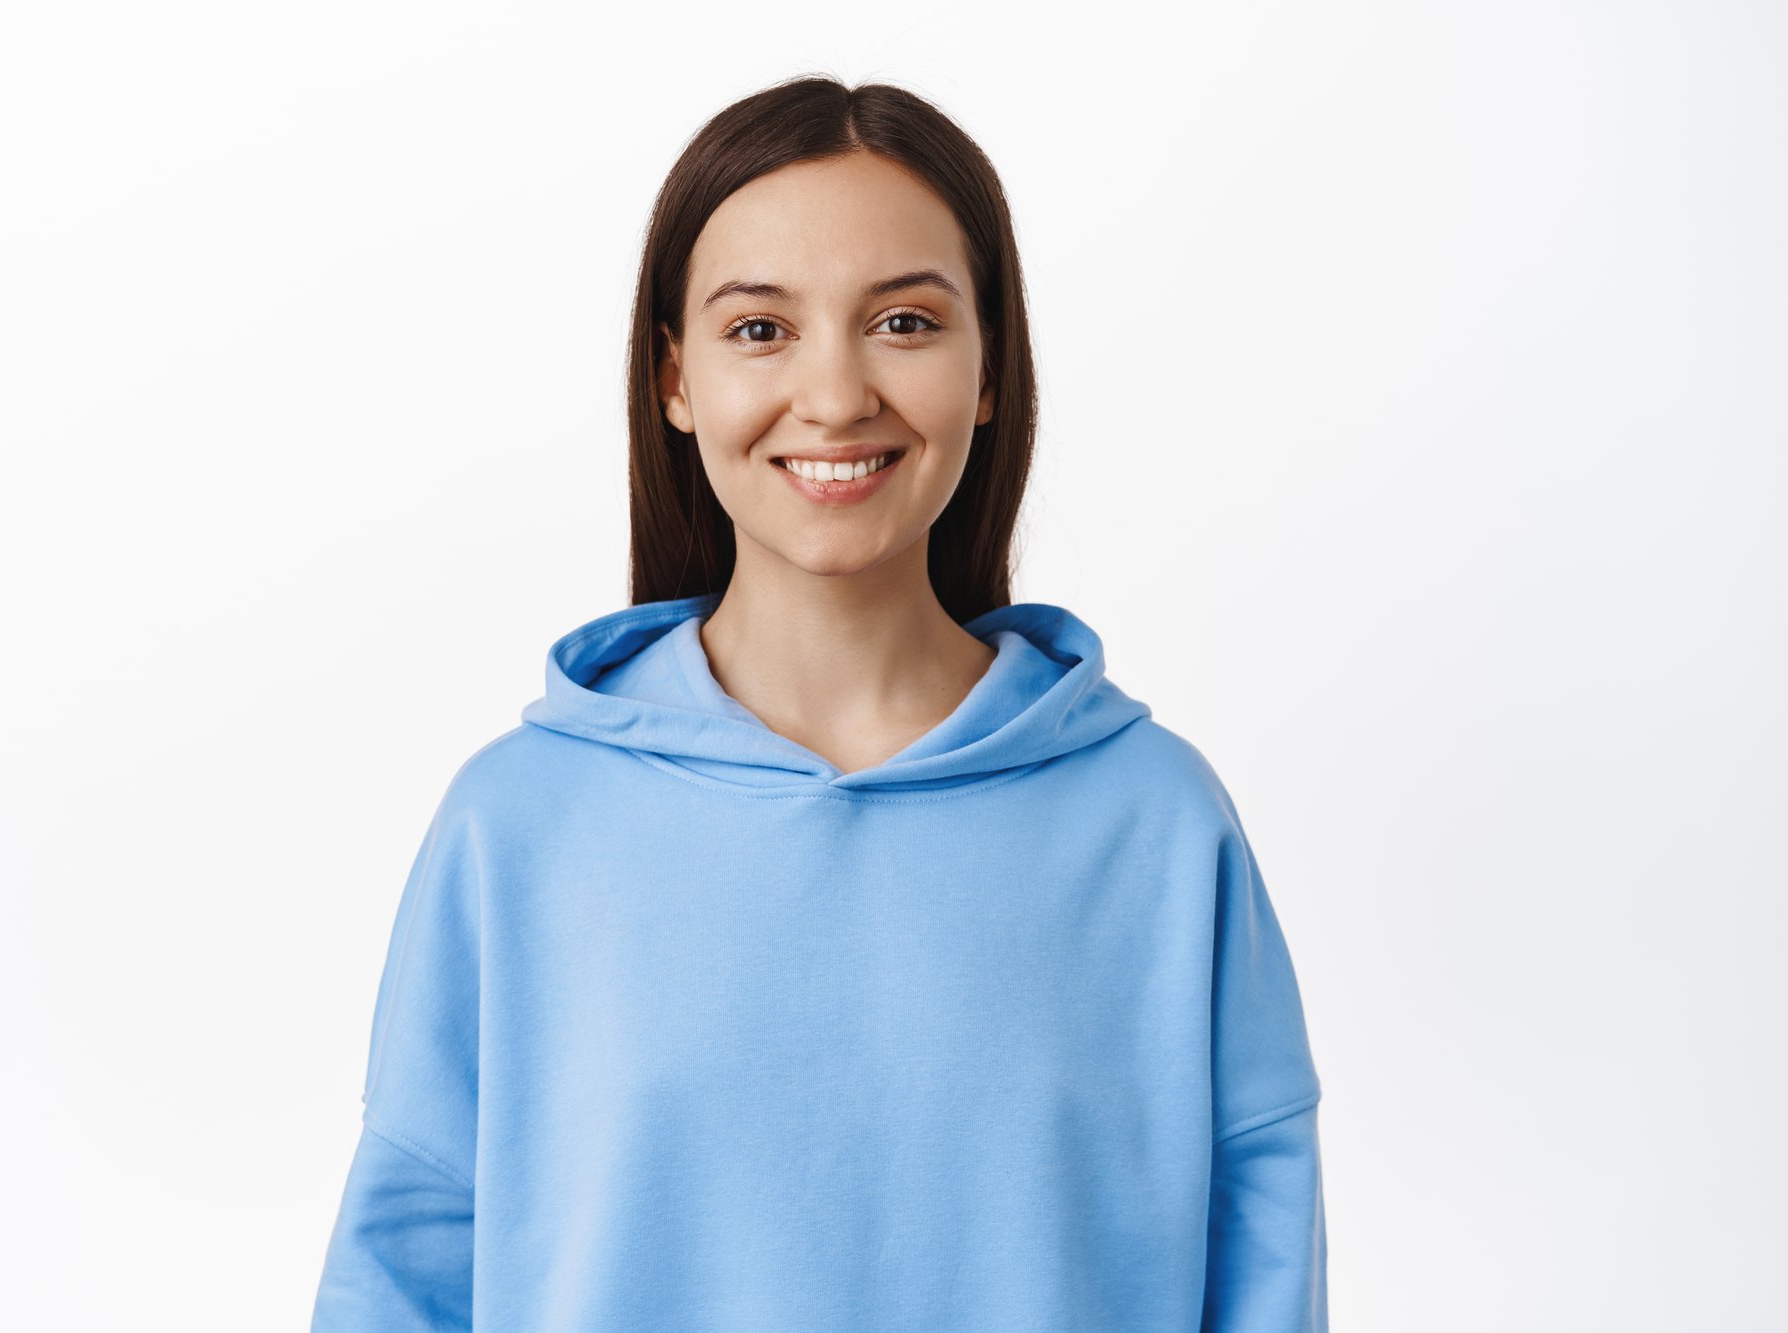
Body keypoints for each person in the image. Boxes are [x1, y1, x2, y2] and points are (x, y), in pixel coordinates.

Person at [310, 74, 1326, 1332]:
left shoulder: (1156, 825)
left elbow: (1261, 1277)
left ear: (991, 367)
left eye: (903, 322)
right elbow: (402, 1281)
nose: (837, 395)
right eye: (758, 330)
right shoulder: (517, 828)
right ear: (673, 381)